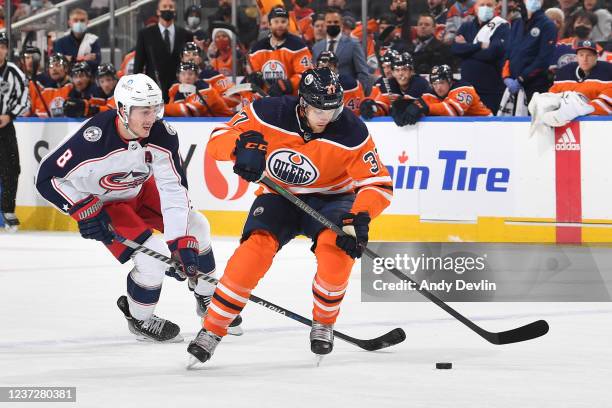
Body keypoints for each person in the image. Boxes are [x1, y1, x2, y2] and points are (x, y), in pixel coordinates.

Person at [187, 67, 393, 364]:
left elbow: (378, 184)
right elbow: (220, 136)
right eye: (318, 109)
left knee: (336, 252)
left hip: (333, 199)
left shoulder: (353, 132)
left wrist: (359, 216)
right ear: (303, 103)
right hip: (279, 195)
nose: (325, 117)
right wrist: (239, 147)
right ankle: (212, 330)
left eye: (332, 110)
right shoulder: (267, 112)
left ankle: (323, 322)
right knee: (253, 252)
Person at [35, 73, 241, 342]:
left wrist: (180, 242)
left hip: (139, 190)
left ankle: (206, 295)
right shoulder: (93, 137)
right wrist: (83, 209)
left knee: (198, 225)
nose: (151, 118)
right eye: (144, 111)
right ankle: (140, 319)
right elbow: (46, 177)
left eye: (155, 109)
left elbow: (173, 189)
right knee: (151, 255)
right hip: (105, 202)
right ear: (122, 110)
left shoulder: (162, 134)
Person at [451, 0, 510, 112]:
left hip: (491, 90)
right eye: (482, 5)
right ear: (475, 7)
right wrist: (480, 45)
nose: (485, 8)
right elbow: (455, 49)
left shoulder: (502, 27)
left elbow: (491, 53)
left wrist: (466, 48)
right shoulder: (466, 27)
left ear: (495, 7)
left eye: (489, 5)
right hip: (467, 90)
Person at [134, 0, 194, 101]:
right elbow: (139, 64)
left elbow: (190, 62)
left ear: (175, 12)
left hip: (179, 88)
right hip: (153, 87)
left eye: (171, 7)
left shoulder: (186, 34)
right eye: (164, 6)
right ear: (158, 11)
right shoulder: (145, 34)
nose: (167, 9)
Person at [394, 64, 492, 125]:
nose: (438, 88)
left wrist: (425, 108)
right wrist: (403, 108)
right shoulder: (433, 92)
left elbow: (453, 111)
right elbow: (421, 103)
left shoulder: (465, 88)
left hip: (488, 125)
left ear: (450, 81)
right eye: (435, 84)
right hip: (469, 129)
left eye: (441, 83)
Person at [247, 7, 312, 97]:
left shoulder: (298, 45)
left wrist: (287, 84)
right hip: (264, 99)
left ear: (288, 24)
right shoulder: (258, 48)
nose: (280, 25)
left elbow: (306, 73)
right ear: (269, 24)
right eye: (276, 22)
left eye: (283, 21)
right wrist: (254, 77)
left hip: (291, 100)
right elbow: (254, 70)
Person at [0, 33, 29, 231]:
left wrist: (9, 115)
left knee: (11, 169)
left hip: (5, 128)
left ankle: (8, 211)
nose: (0, 50)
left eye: (3, 46)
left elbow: (24, 100)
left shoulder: (14, 72)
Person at [502, 0, 557, 103]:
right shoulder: (517, 23)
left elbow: (543, 60)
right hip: (512, 86)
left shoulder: (548, 25)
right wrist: (506, 76)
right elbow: (508, 52)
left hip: (535, 87)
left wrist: (521, 79)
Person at [312, 7, 372, 95]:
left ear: (341, 24)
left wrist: (359, 94)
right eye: (329, 22)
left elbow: (362, 72)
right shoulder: (317, 47)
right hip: (323, 97)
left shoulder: (353, 44)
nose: (332, 24)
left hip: (347, 94)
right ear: (324, 24)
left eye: (336, 22)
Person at [359, 51, 431, 120]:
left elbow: (411, 106)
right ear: (393, 73)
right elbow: (383, 105)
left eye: (404, 69)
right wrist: (374, 109)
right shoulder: (389, 83)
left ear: (412, 71)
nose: (401, 73)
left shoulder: (420, 83)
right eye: (397, 70)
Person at [547, 40, 611, 116]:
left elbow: (608, 103)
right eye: (581, 55)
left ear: (596, 57)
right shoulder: (564, 73)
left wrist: (577, 110)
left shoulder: (608, 72)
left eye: (589, 55)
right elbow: (551, 98)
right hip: (567, 121)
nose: (585, 59)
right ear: (576, 57)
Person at [165, 61, 233, 117]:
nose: (187, 77)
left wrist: (162, 108)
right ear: (178, 77)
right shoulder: (180, 91)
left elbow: (188, 111)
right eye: (183, 74)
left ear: (196, 77)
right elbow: (174, 114)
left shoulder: (206, 89)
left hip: (225, 122)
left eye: (190, 74)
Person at [53, 8, 101, 73]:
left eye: (82, 20)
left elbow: (96, 64)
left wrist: (71, 60)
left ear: (87, 22)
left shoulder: (93, 40)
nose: (79, 23)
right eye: (75, 20)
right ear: (69, 23)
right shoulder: (60, 43)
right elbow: (60, 66)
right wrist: (83, 59)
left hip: (88, 79)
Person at [29, 53, 72, 117]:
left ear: (66, 68)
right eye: (51, 66)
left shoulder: (73, 88)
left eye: (57, 65)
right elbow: (41, 112)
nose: (54, 69)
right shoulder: (46, 91)